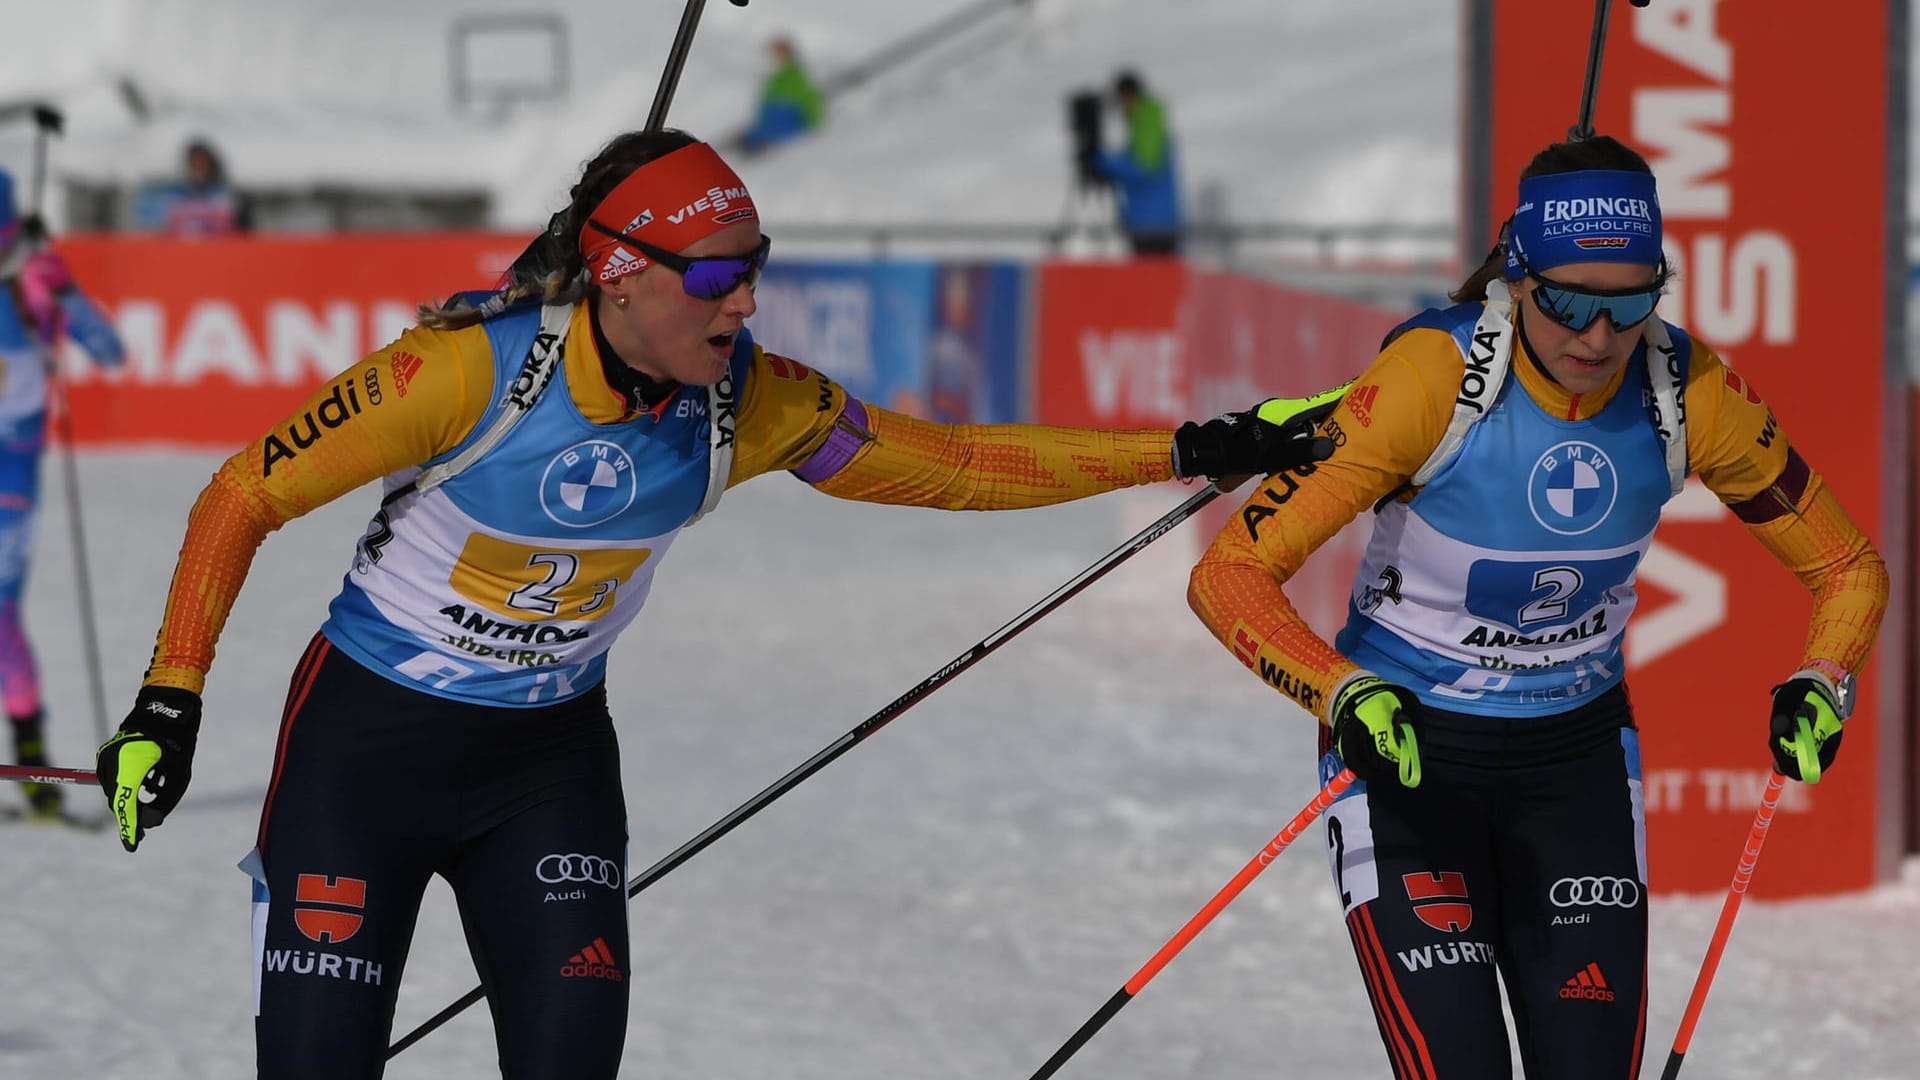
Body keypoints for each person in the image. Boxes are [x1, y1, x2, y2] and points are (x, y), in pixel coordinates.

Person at [90, 127, 1338, 1077]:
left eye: (759, 271)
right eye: (720, 276)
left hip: (545, 769)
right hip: (365, 752)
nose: (746, 302)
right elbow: (241, 493)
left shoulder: (751, 401)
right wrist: (169, 702)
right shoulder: (466, 375)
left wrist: (1193, 445)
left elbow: (955, 464)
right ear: (620, 276)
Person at [1187, 134, 1888, 1077]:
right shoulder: (1429, 385)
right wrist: (1341, 689)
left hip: (1575, 767)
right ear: (1518, 279)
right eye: (1565, 302)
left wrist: (1824, 676)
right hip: (1410, 759)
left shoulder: (1692, 394)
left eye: (1629, 305)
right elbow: (1228, 574)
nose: (1597, 339)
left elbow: (1848, 565)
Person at [0, 167, 125, 822]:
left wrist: (67, 296)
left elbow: (109, 350)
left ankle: (34, 764)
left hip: (9, 478)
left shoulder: (35, 279)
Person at [1086, 70, 1182, 256]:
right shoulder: (1145, 121)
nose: (1121, 106)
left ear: (1128, 94)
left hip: (1152, 224)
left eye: (1121, 99)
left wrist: (1101, 162)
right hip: (1153, 222)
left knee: (1152, 281)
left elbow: (1143, 168)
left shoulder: (1147, 118)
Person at [133, 137, 250, 237]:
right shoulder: (172, 194)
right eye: (194, 162)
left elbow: (238, 226)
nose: (198, 167)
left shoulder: (224, 196)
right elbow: (148, 218)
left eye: (203, 163)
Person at [740, 36, 825, 153]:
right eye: (775, 54)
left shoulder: (797, 76)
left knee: (774, 128)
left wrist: (814, 122)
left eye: (780, 53)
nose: (777, 58)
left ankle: (761, 141)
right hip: (769, 123)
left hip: (787, 124)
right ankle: (755, 140)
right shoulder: (774, 78)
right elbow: (765, 105)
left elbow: (810, 99)